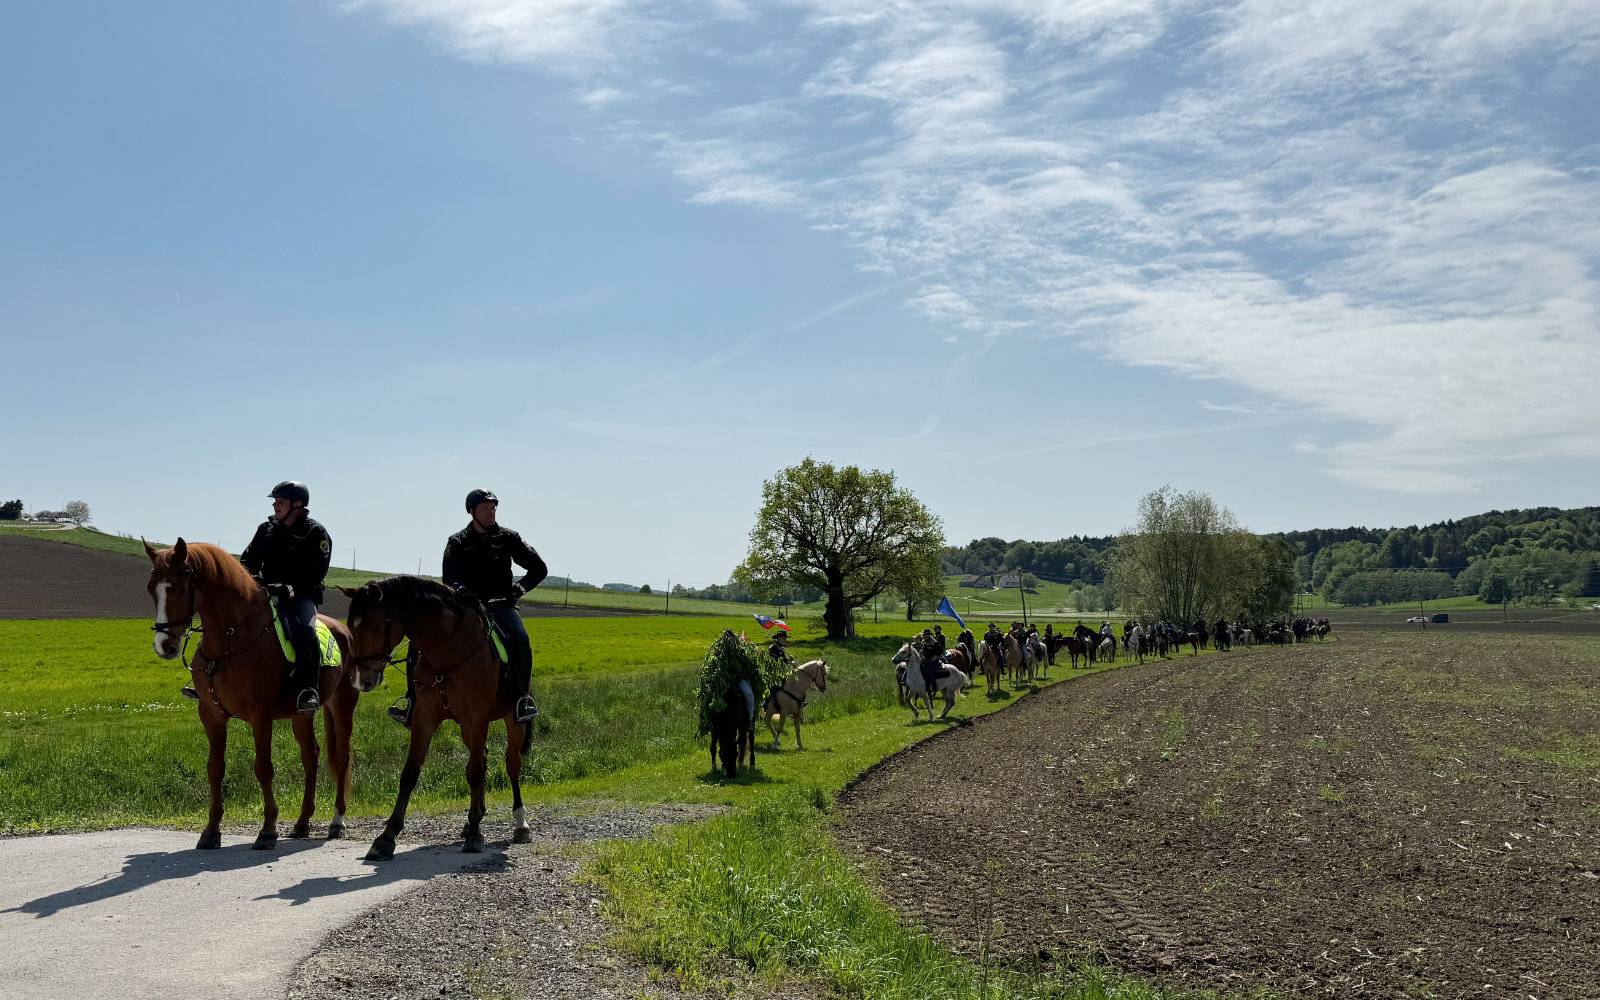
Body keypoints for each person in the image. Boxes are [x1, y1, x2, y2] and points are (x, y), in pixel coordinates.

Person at [392, 488, 546, 727]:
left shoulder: (509, 538)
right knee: (417, 643)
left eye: (493, 507)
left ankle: (521, 700)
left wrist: (517, 591)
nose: (490, 512)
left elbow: (539, 569)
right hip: (464, 609)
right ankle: (411, 702)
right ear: (472, 511)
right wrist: (461, 590)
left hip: (499, 607)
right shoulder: (457, 541)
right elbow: (449, 577)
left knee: (520, 638)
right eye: (485, 508)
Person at [221, 481, 331, 713]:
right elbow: (247, 561)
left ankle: (308, 689)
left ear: (297, 505)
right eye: (274, 502)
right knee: (228, 622)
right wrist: (256, 583)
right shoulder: (266, 529)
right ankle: (207, 678)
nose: (275, 506)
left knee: (306, 631)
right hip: (265, 595)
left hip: (300, 598)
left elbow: (317, 572)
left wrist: (291, 588)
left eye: (280, 502)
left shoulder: (316, 533)